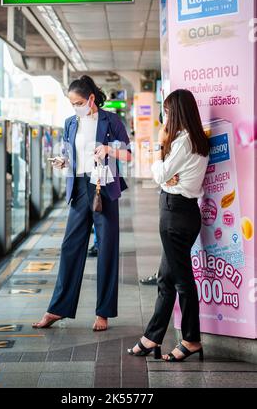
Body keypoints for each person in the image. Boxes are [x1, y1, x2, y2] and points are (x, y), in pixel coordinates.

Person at [33, 75, 132, 332]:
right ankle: (57, 309)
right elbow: (70, 154)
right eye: (71, 103)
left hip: (103, 189)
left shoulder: (111, 120)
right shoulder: (70, 123)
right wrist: (63, 162)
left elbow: (128, 154)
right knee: (70, 247)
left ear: (90, 99)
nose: (74, 107)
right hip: (78, 188)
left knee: (107, 249)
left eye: (78, 102)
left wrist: (110, 150)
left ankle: (103, 313)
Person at [128, 89, 209, 362]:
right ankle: (152, 337)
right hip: (183, 212)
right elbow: (166, 179)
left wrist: (160, 146)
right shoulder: (194, 139)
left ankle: (191, 340)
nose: (165, 116)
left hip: (175, 215)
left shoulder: (182, 142)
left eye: (167, 111)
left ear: (176, 113)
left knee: (183, 282)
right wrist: (166, 179)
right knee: (166, 279)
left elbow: (160, 174)